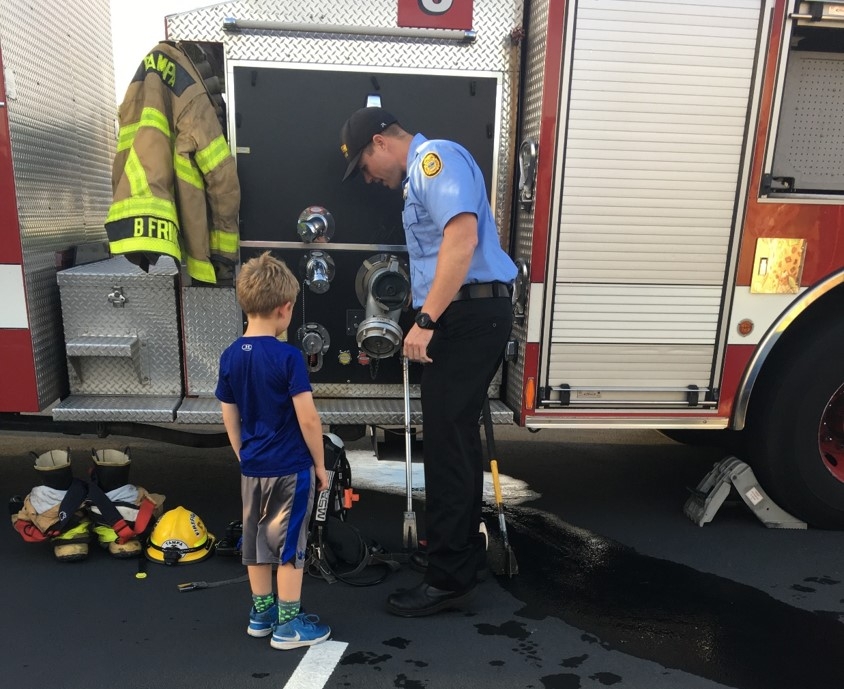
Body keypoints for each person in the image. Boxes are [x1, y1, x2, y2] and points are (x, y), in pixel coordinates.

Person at [339, 107, 518, 617]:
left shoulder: (432, 161)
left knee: (447, 448)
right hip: (467, 316)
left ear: (381, 142)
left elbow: (461, 240)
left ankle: (448, 580)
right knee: (453, 443)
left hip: (466, 317)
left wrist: (427, 319)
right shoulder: (423, 172)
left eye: (365, 166)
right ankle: (456, 555)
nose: (368, 178)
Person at [215, 252, 331, 649]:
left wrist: (242, 454)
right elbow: (308, 419)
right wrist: (320, 465)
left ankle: (260, 614)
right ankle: (289, 625)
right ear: (284, 308)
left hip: (253, 467)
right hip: (290, 468)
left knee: (257, 543)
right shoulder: (288, 357)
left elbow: (229, 414)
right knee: (289, 547)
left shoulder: (230, 355)